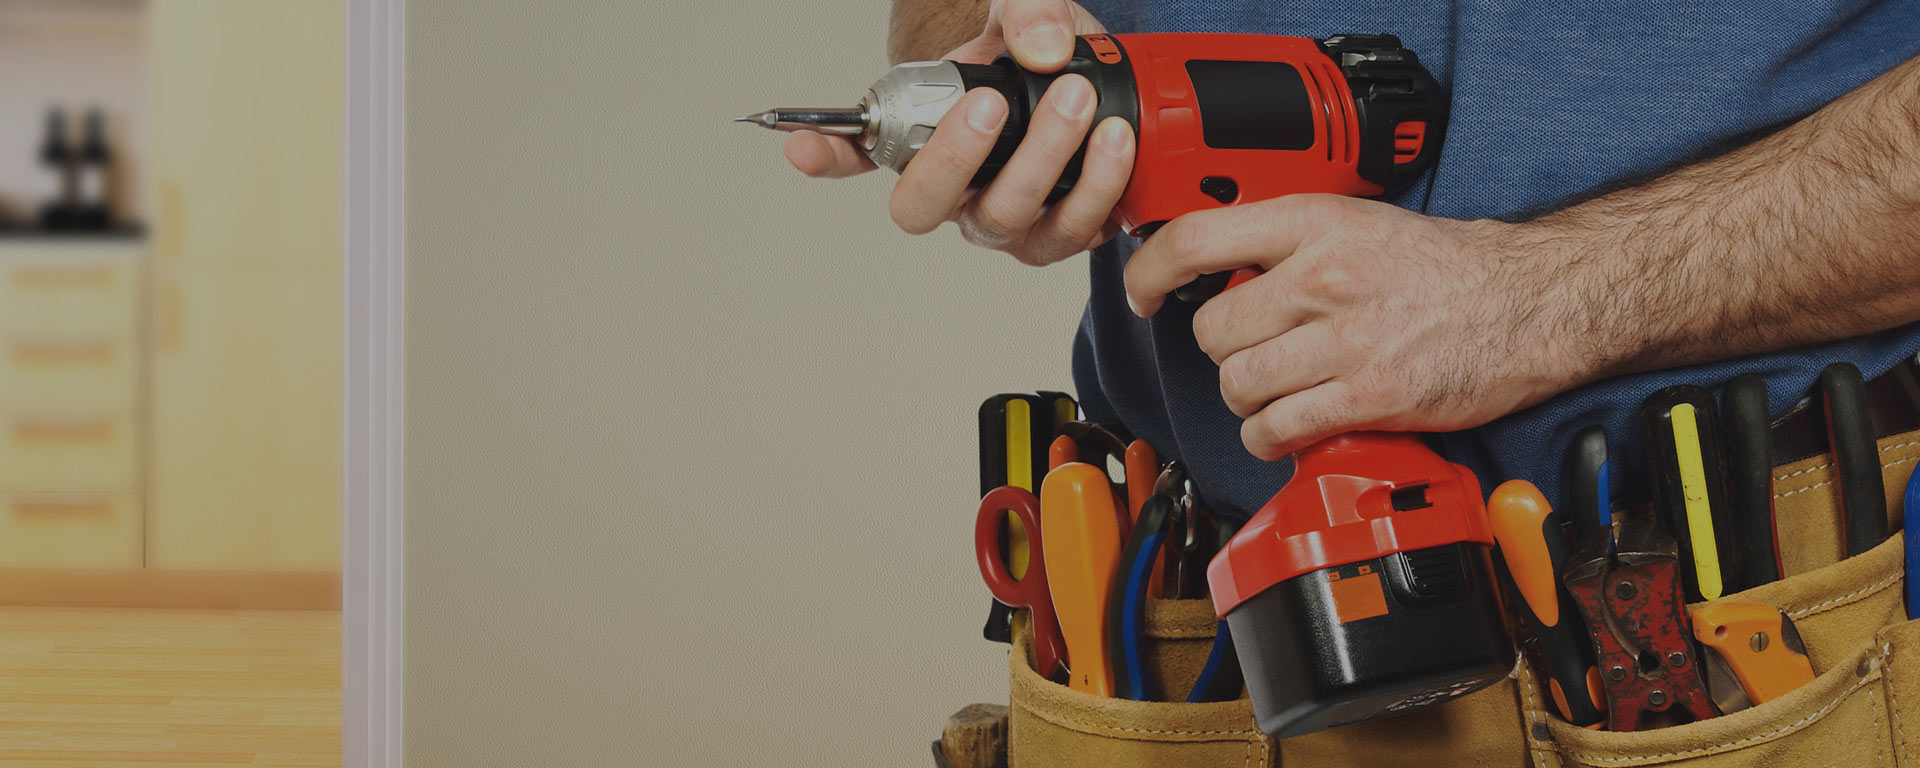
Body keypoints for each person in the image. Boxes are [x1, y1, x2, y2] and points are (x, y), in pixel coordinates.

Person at [782, 0, 1920, 523]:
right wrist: (994, 71)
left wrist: (1542, 298)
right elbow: (946, 10)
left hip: (1782, 567)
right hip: (1213, 620)